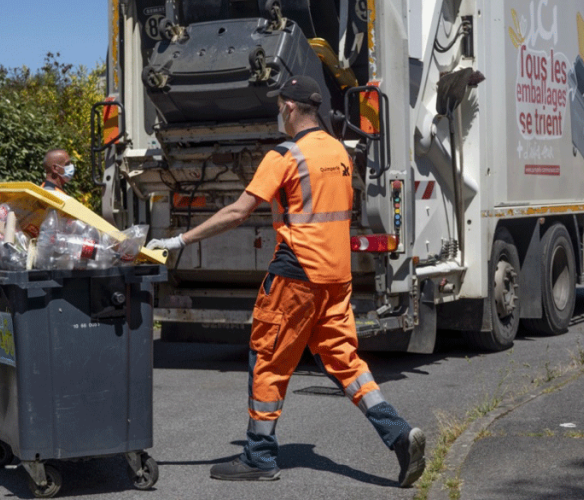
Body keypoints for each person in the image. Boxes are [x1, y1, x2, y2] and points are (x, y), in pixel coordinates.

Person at [147, 75, 426, 487]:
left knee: (267, 359)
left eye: (280, 107)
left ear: (291, 108)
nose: (280, 113)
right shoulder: (339, 153)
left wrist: (179, 239)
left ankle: (259, 457)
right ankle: (399, 434)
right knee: (347, 365)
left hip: (296, 276)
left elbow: (238, 212)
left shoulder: (285, 155)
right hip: (336, 277)